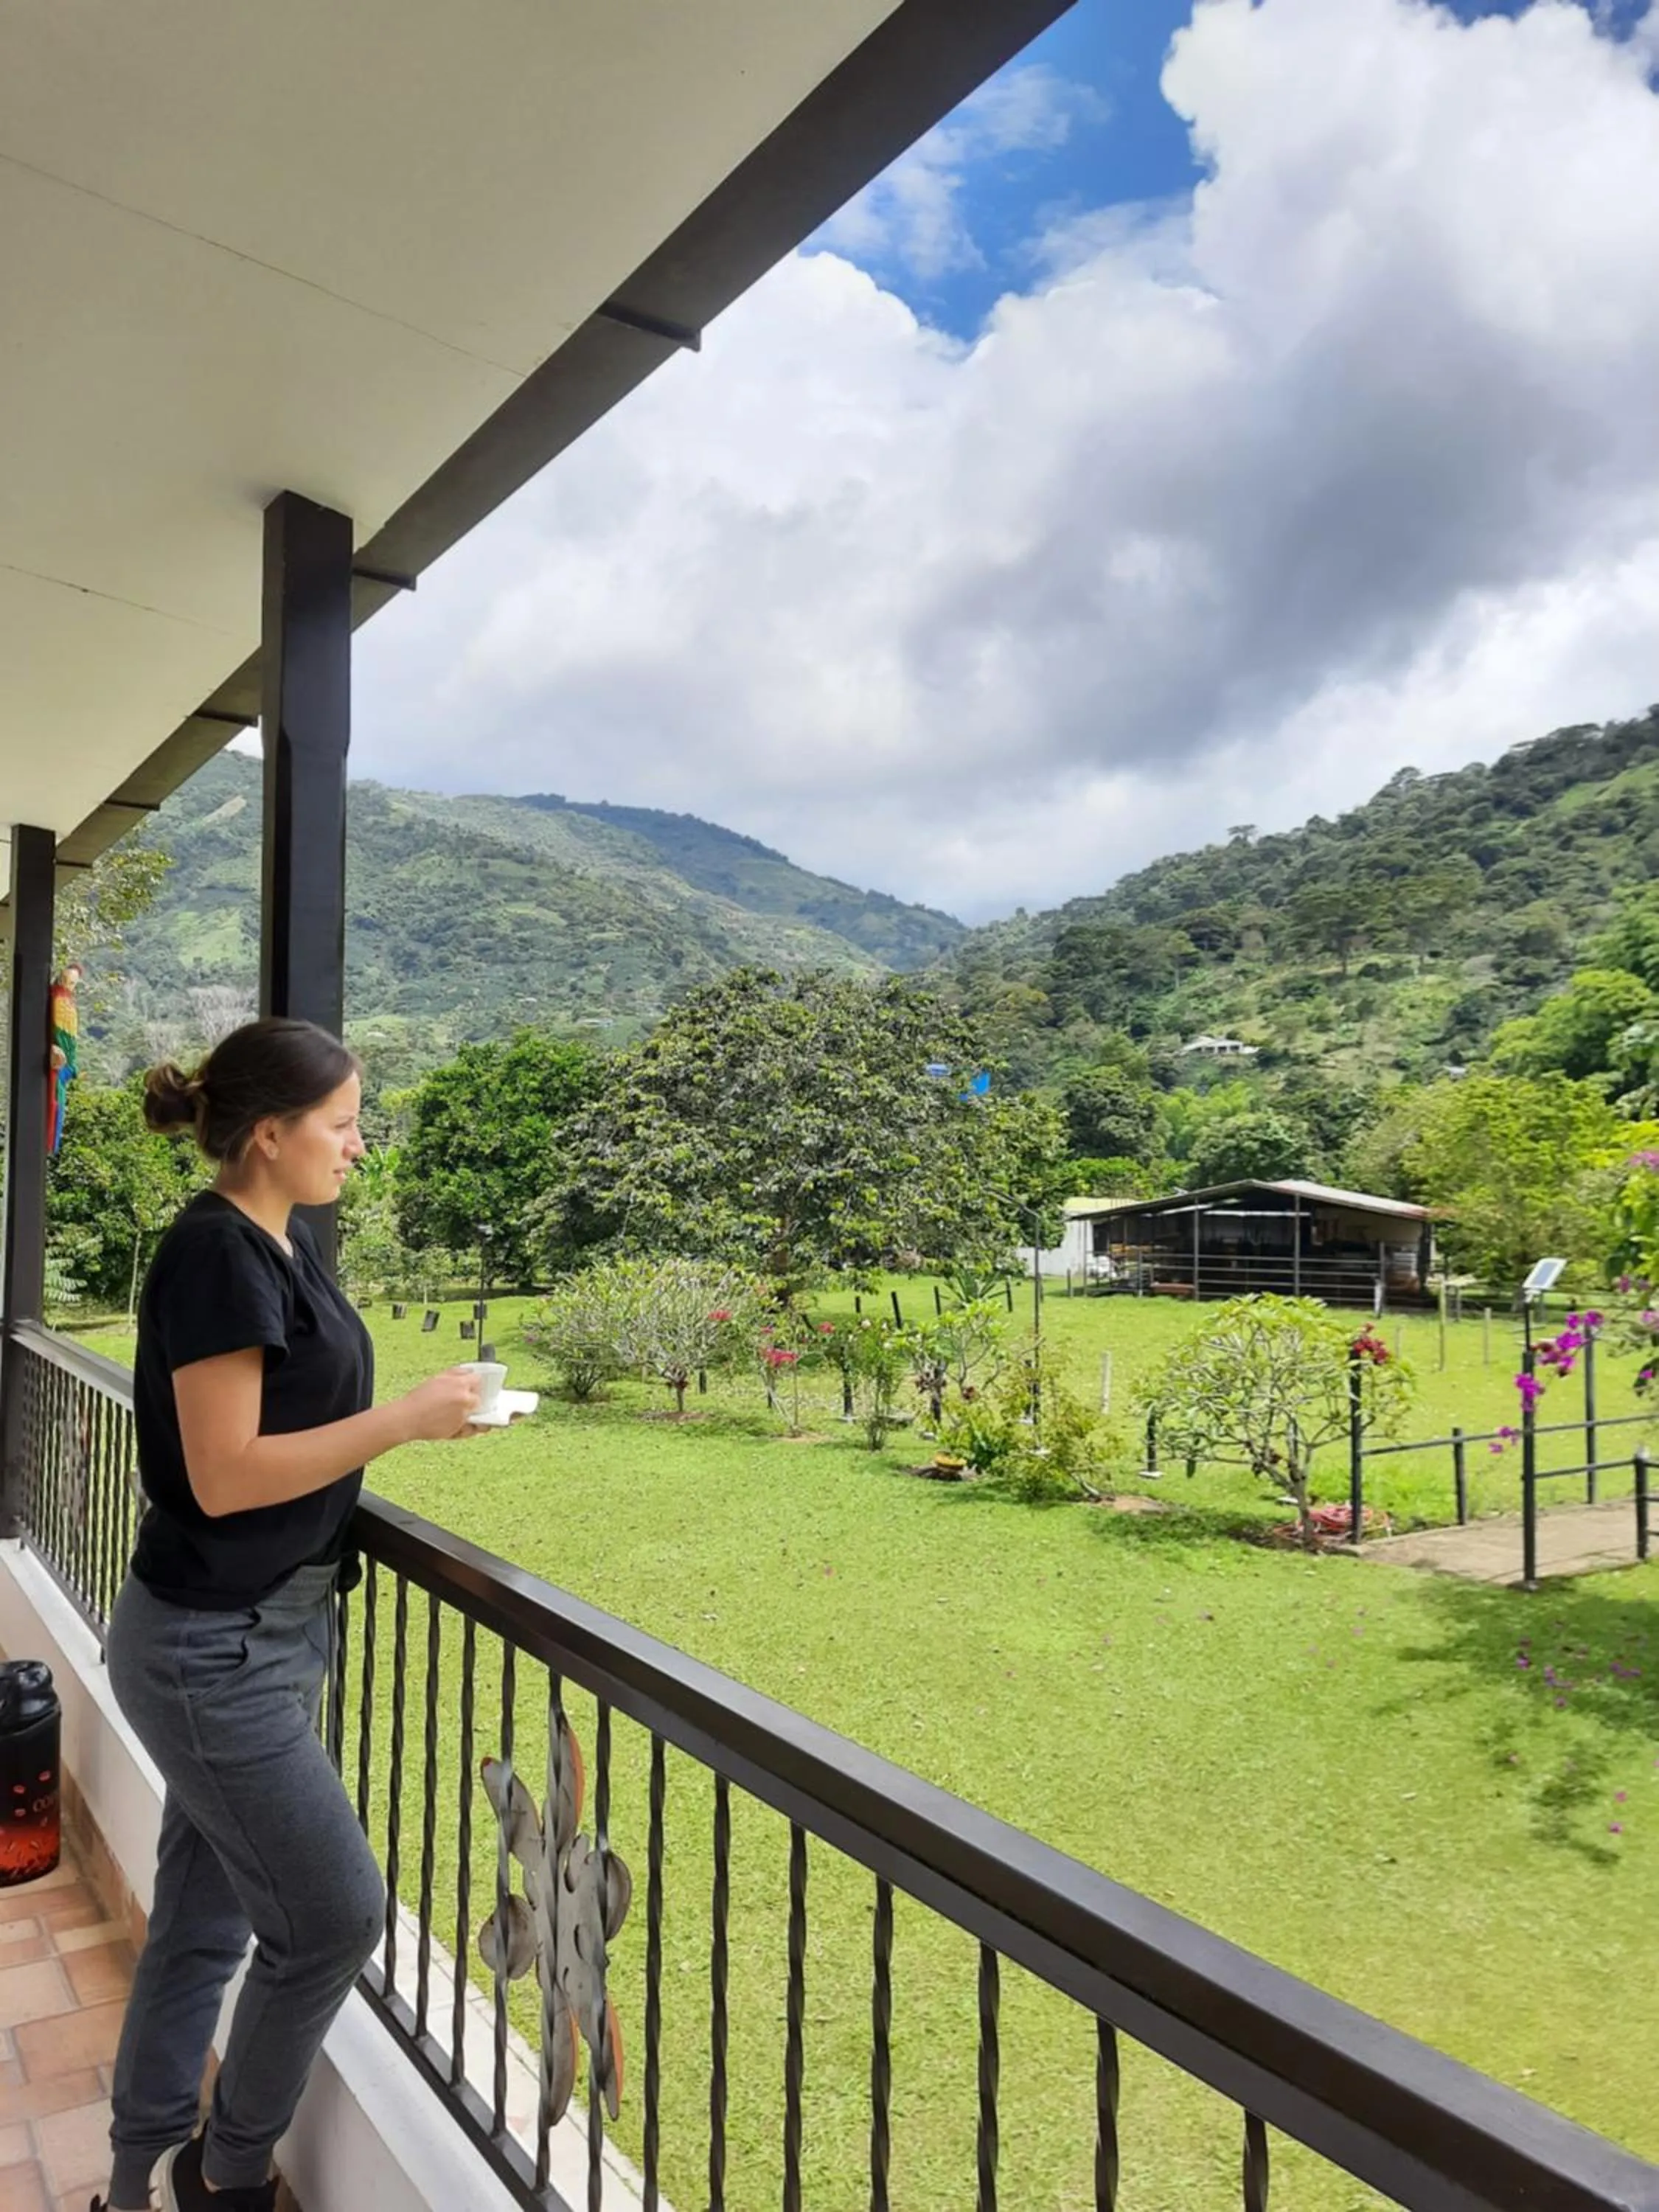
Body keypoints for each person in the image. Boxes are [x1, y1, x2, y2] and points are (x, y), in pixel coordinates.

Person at [93, 1019, 484, 2212]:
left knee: (204, 1924)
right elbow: (224, 1473)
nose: (359, 1146)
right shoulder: (219, 1254)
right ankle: (223, 2181)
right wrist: (407, 1419)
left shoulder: (280, 1241)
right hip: (216, 1650)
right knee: (332, 1918)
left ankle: (134, 2180)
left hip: (260, 1631)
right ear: (270, 1134)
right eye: (343, 1122)